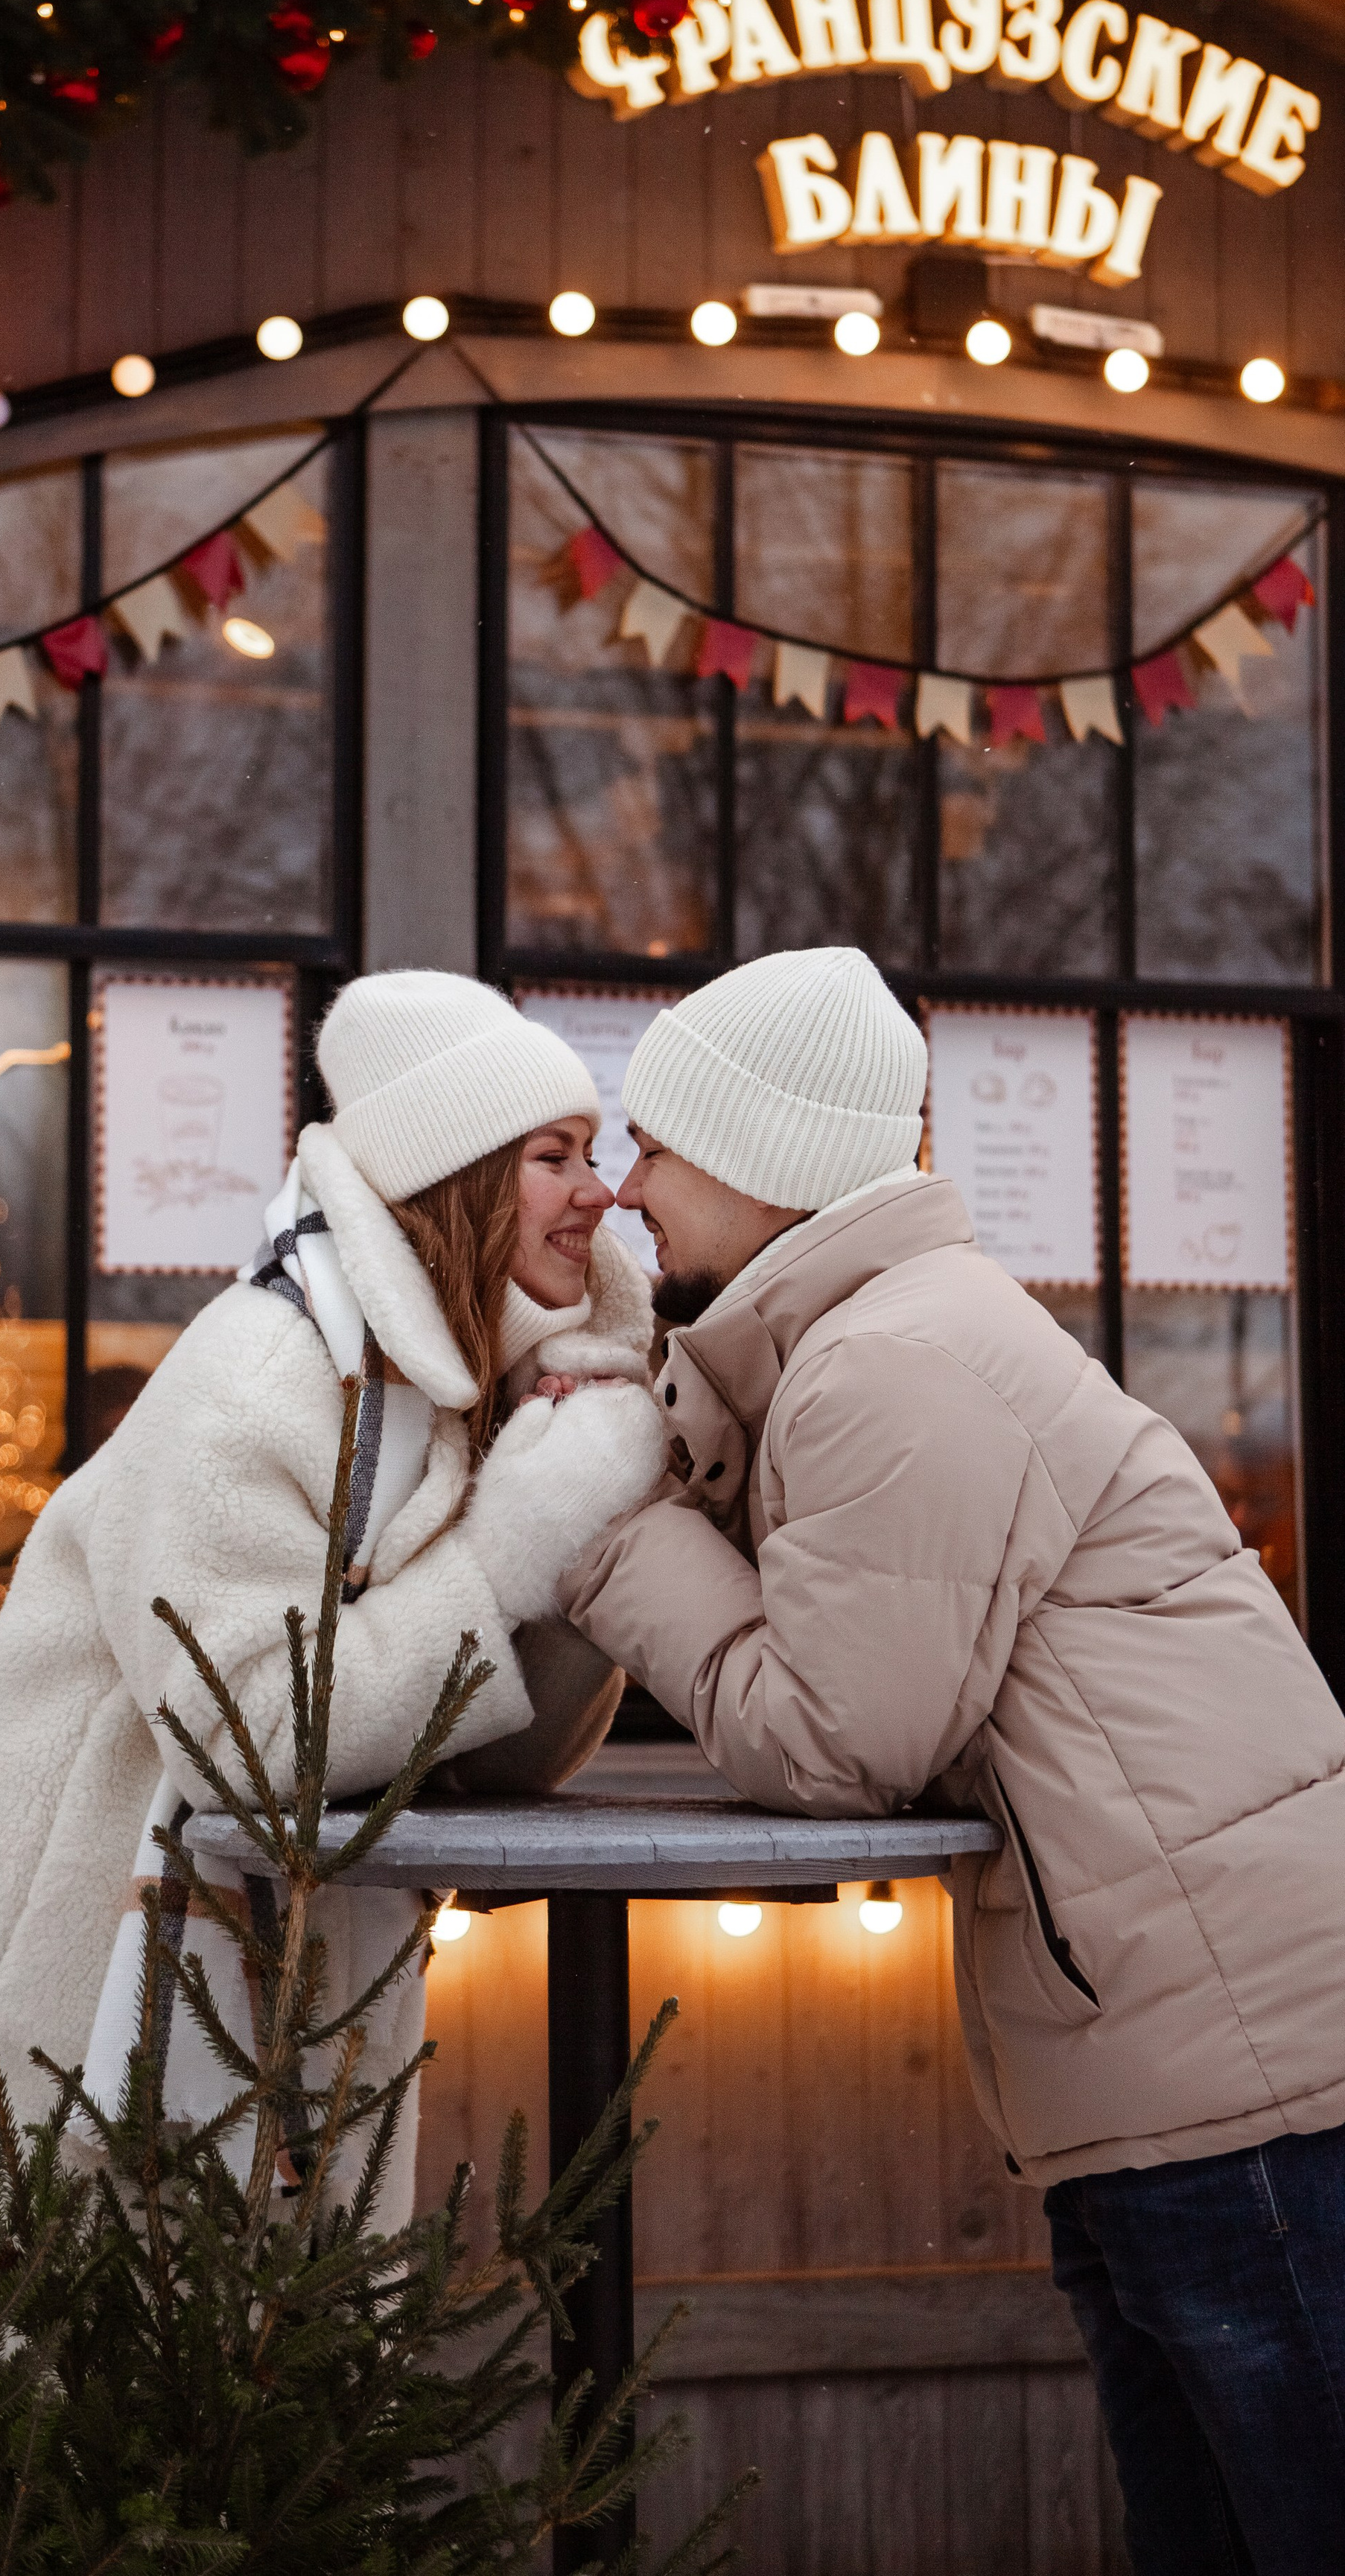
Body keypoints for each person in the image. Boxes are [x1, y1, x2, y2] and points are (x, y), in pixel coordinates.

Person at [0, 972, 660, 2510]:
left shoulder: (432, 1394)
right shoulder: (262, 1374)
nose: (598, 1194)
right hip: (85, 2009)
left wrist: (590, 1487)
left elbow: (491, 1747)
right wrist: (516, 1543)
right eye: (554, 1154)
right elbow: (250, 1736)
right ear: (452, 1173)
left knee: (235, 2462)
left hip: (279, 2013)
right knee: (26, 2465)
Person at [558, 944, 1345, 2575]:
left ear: (763, 1161)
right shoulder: (865, 1347)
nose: (625, 1190)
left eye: (654, 1144)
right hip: (1182, 2058)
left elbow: (837, 1742)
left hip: (1238, 2084)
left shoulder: (893, 1365)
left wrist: (604, 1532)